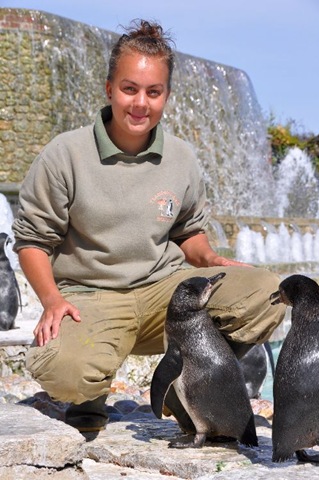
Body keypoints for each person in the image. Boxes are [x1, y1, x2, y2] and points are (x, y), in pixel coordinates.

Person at [12, 19, 285, 433]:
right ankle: (88, 397)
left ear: (166, 96)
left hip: (167, 294)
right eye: (129, 89)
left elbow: (187, 232)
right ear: (109, 89)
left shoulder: (181, 158)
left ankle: (187, 379)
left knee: (267, 293)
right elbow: (32, 240)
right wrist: (51, 300)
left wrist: (210, 257)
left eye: (153, 92)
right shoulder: (64, 154)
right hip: (92, 298)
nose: (141, 103)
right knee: (66, 372)